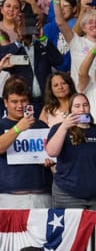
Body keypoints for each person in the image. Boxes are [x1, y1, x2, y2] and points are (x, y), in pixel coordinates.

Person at [45, 93, 96, 209]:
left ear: (89, 107)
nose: (82, 109)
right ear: (70, 109)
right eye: (77, 106)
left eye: (85, 105)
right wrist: (64, 126)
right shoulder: (58, 128)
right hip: (67, 194)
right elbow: (51, 152)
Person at [0, 78, 51, 209]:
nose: (20, 106)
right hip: (10, 196)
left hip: (42, 194)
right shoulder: (1, 125)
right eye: (14, 101)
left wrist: (49, 161)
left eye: (23, 101)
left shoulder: (40, 125)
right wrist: (18, 128)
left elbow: (51, 154)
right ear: (5, 102)